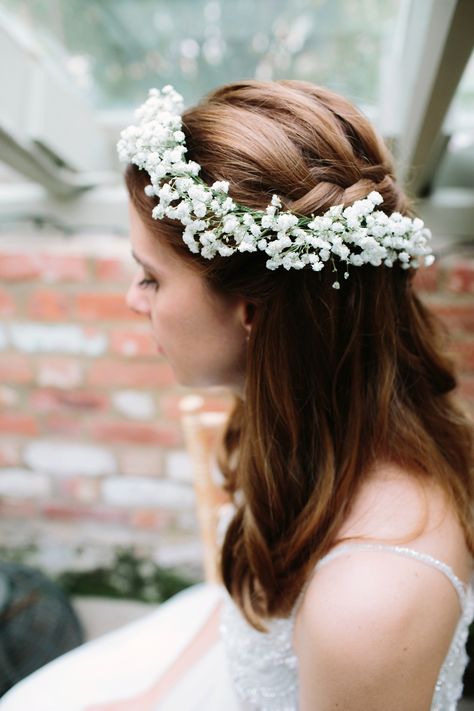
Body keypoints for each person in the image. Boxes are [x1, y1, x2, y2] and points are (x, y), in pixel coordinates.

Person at [1, 81, 472, 711]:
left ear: (250, 309)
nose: (133, 301)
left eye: (151, 278)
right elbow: (245, 607)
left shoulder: (368, 604)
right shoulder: (317, 419)